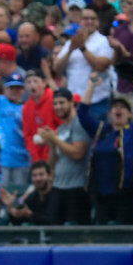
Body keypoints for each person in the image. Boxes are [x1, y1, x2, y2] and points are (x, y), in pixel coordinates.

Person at [78, 74, 133, 224]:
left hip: (128, 193)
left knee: (126, 232)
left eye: (123, 107)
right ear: (110, 114)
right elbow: (82, 113)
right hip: (102, 193)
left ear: (130, 114)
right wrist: (91, 85)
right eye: (114, 107)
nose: (118, 109)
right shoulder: (102, 131)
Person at [37, 88, 90, 224]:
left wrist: (55, 139)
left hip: (76, 188)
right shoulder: (61, 129)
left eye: (61, 103)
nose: (58, 107)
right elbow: (52, 163)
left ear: (71, 103)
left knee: (74, 230)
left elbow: (78, 153)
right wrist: (51, 143)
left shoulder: (79, 123)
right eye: (55, 103)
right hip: (59, 186)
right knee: (55, 228)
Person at [54, 6, 114, 121]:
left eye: (93, 19)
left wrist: (82, 47)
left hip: (97, 101)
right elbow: (57, 68)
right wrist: (70, 49)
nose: (89, 21)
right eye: (86, 18)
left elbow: (101, 66)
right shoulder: (71, 42)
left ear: (98, 22)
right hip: (74, 101)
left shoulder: (103, 41)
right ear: (80, 21)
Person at [0, 161, 56, 225]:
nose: (38, 179)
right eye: (34, 175)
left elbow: (52, 219)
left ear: (49, 176)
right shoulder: (33, 197)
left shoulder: (56, 195)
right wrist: (10, 206)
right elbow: (17, 221)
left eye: (41, 174)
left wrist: (30, 215)